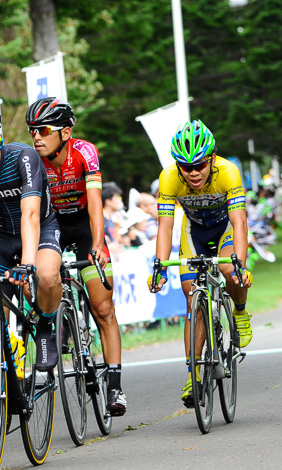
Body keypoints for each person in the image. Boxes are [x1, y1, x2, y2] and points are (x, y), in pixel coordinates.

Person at [26, 97, 127, 415]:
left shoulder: (84, 153)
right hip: (52, 227)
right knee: (50, 278)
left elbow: (96, 202)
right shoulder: (33, 161)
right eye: (32, 131)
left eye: (43, 130)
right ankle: (61, 326)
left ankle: (115, 385)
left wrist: (98, 243)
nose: (37, 137)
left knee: (103, 307)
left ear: (65, 133)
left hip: (85, 226)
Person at [148, 120, 252, 408]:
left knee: (231, 270)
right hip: (194, 232)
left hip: (226, 231)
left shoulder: (228, 172)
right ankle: (193, 372)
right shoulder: (169, 177)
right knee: (191, 295)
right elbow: (165, 227)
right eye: (185, 166)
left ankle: (240, 312)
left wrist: (240, 263)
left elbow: (239, 222)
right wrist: (160, 265)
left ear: (212, 159)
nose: (193, 172)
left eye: (200, 165)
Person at [0, 113, 62, 374]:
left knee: (46, 277)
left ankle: (46, 325)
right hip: (2, 237)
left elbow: (31, 214)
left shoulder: (22, 157)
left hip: (41, 229)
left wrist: (27, 264)